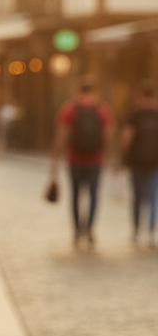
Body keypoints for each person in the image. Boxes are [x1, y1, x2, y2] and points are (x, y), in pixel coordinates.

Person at [49, 75, 114, 246]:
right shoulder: (102, 109)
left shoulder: (69, 109)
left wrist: (56, 157)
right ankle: (90, 228)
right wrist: (107, 154)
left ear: (78, 90)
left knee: (76, 195)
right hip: (96, 159)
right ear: (93, 91)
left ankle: (78, 230)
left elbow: (62, 135)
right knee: (93, 195)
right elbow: (108, 134)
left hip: (74, 159)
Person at [121, 79, 158, 246]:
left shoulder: (134, 114)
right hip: (154, 162)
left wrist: (123, 157)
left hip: (136, 161)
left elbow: (127, 137)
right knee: (152, 198)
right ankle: (151, 232)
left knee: (137, 197)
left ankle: (136, 231)